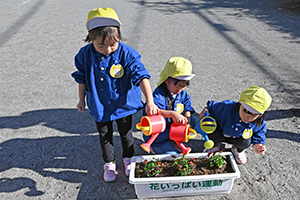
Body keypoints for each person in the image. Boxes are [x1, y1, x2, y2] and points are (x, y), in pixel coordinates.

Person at [71, 7, 159, 182]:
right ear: (90, 38)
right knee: (105, 135)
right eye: (100, 45)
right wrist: (81, 99)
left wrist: (150, 101)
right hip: (99, 104)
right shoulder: (85, 54)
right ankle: (109, 163)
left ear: (119, 36)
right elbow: (82, 77)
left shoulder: (127, 53)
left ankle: (128, 159)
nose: (108, 50)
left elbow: (142, 75)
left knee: (126, 134)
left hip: (123, 105)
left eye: (113, 44)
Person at [200, 86, 272, 164]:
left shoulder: (259, 121)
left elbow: (260, 132)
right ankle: (214, 146)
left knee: (246, 142)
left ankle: (238, 149)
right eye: (244, 110)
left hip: (238, 138)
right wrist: (206, 110)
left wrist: (257, 144)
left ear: (260, 115)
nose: (246, 116)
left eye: (252, 114)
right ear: (240, 104)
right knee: (211, 131)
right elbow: (212, 107)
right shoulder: (227, 107)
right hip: (221, 132)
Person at [143, 57, 196, 154]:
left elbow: (187, 106)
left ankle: (174, 139)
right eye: (177, 85)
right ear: (166, 80)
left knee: (192, 120)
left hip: (171, 127)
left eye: (184, 85)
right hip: (160, 134)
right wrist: (172, 114)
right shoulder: (158, 95)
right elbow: (154, 111)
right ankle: (154, 145)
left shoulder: (181, 93)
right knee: (172, 156)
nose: (180, 89)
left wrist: (187, 121)